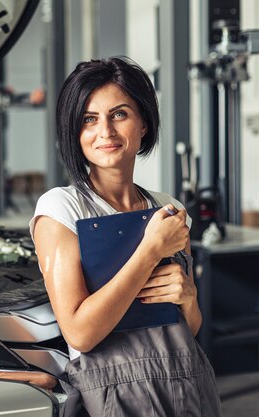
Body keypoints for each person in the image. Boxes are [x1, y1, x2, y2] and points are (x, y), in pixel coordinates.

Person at [29, 57, 221, 416]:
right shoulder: (62, 209)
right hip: (116, 393)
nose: (106, 131)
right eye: (89, 119)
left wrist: (189, 297)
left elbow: (189, 328)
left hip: (189, 382)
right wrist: (151, 249)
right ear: (75, 131)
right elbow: (80, 334)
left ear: (144, 123)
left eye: (119, 114)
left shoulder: (170, 209)